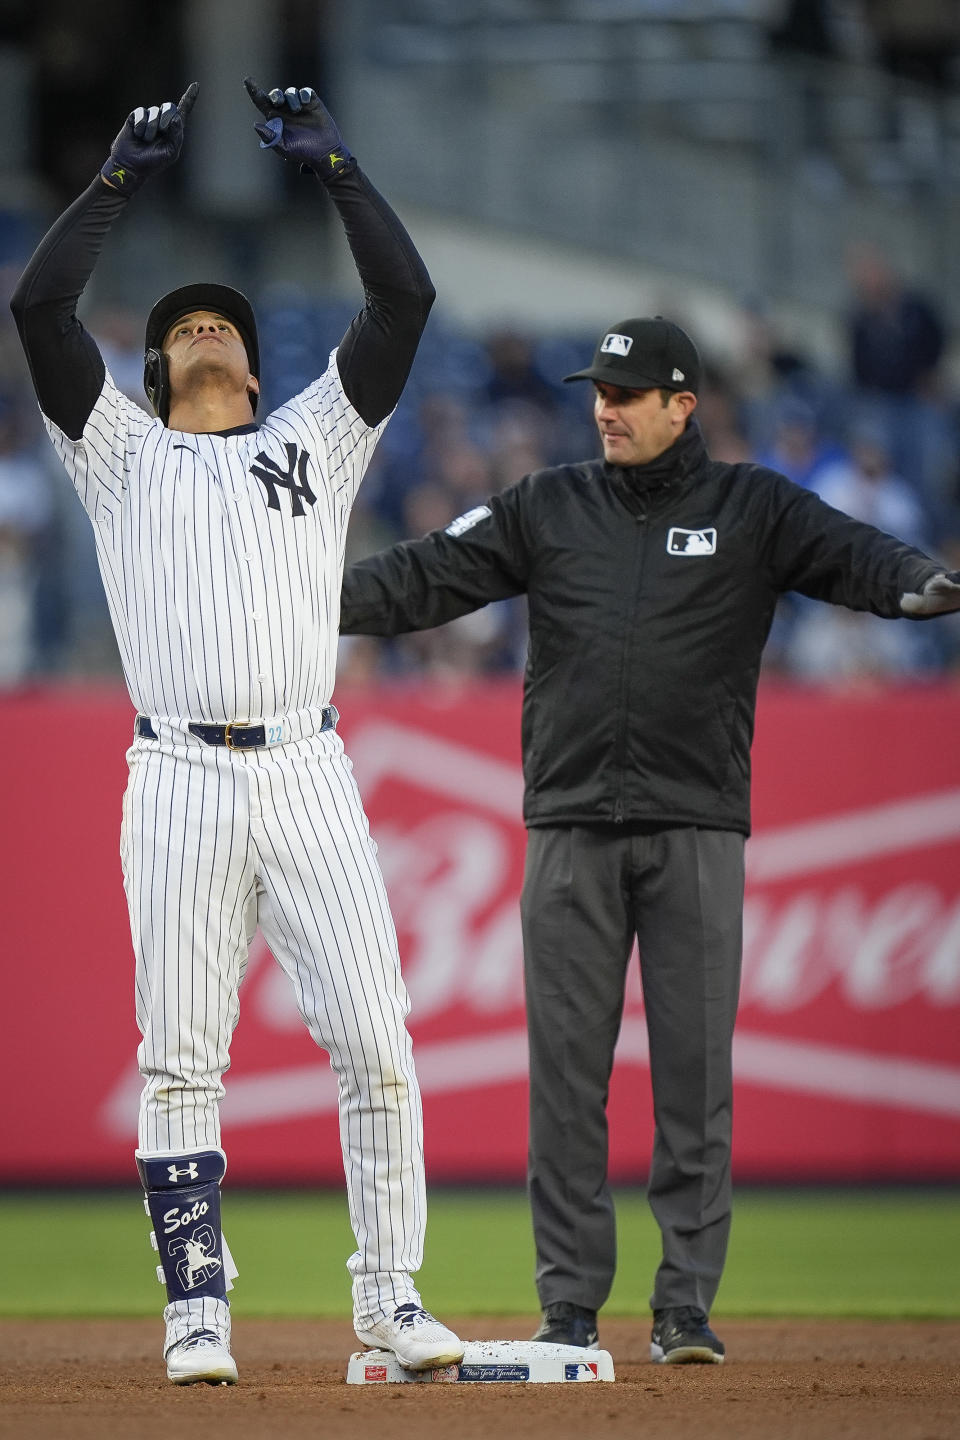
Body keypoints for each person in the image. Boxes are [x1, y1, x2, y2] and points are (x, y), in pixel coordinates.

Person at [339, 315, 960, 1364]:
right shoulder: (549, 503)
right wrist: (299, 600)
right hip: (572, 827)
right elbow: (426, 576)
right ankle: (571, 1305)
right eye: (599, 391)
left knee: (693, 1082)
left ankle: (684, 1308)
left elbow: (851, 554)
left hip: (697, 826)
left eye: (627, 394)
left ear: (684, 404)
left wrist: (920, 583)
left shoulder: (752, 506)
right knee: (566, 1085)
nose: (605, 409)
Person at [11, 78, 463, 1386]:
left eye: (224, 324)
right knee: (181, 1058)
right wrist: (111, 180)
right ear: (154, 370)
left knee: (377, 1041)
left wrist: (340, 172)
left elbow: (405, 303)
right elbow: (40, 310)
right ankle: (197, 1309)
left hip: (309, 763)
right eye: (184, 329)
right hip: (176, 771)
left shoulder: (315, 436)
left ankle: (388, 1301)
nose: (206, 333)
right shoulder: (117, 453)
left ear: (257, 364)